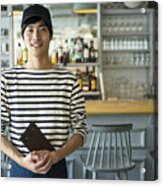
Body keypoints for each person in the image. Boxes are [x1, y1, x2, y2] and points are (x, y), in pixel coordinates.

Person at [1, 4, 87, 178]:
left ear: (51, 35)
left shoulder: (69, 80)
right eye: (30, 30)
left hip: (56, 168)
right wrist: (21, 160)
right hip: (20, 169)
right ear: (22, 36)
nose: (36, 37)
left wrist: (56, 155)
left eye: (42, 29)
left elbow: (81, 130)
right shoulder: (7, 80)